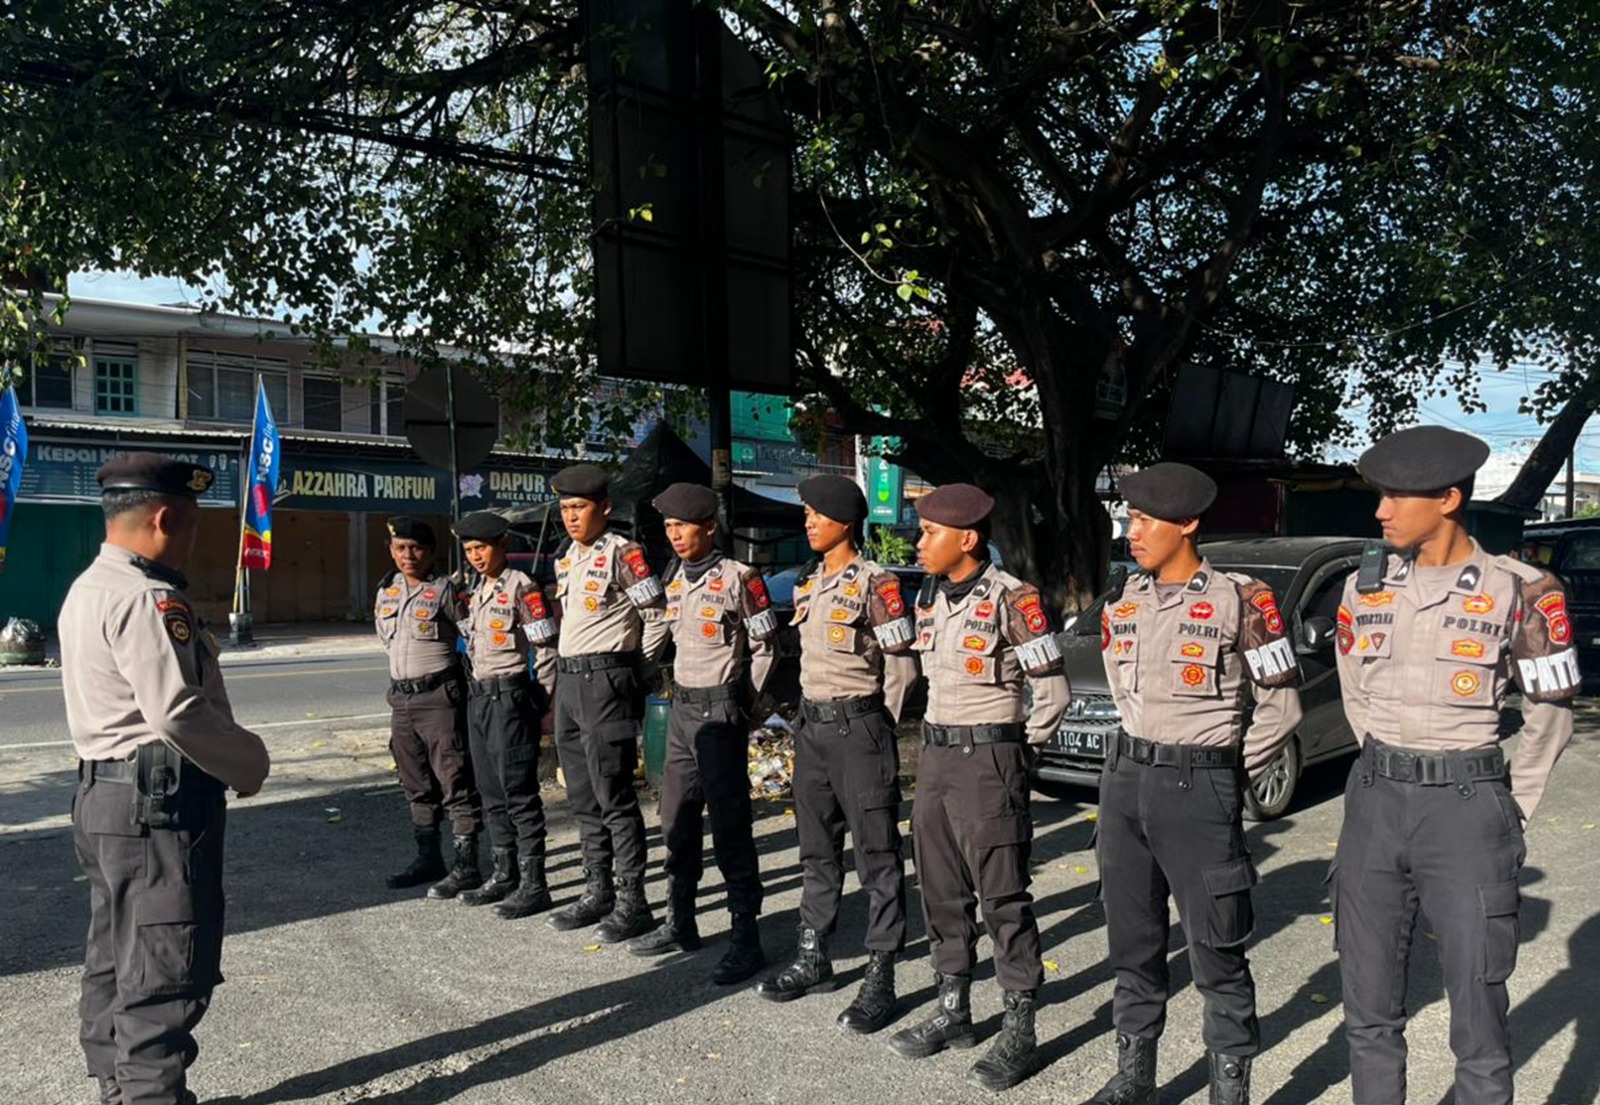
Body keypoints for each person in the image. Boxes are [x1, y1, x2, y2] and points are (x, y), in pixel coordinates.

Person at [1331, 426, 1577, 1105]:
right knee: (1368, 1006)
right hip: (1375, 801)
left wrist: (1508, 807)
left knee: (1478, 1011)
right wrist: (1383, 758)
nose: (1380, 511)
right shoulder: (1364, 587)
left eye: (1395, 496)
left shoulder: (1522, 590)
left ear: (1447, 498)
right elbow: (1355, 687)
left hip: (1467, 807)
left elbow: (1551, 713)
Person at [1085, 462, 1302, 1105]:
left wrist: (1225, 778)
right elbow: (1121, 691)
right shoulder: (1123, 599)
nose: (1131, 532)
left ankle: (1228, 1087)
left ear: (1186, 523)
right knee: (1132, 940)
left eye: (1143, 520)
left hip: (1198, 785)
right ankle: (1134, 1077)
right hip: (1125, 780)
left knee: (1216, 949)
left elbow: (1282, 708)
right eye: (1129, 519)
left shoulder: (1243, 600)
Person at [59, 452, 271, 1105]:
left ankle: (119, 1089)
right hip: (154, 810)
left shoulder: (87, 587)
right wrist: (250, 762)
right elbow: (177, 711)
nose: (192, 539)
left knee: (115, 953)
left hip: (104, 798)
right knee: (162, 970)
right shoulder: (147, 597)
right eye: (192, 524)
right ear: (163, 519)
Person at [887, 484, 1069, 1090]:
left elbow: (1053, 692)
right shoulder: (929, 595)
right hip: (936, 757)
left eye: (929, 533)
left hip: (989, 757)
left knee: (1002, 898)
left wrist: (1014, 751)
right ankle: (954, 1010)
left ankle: (1020, 1028)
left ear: (966, 539)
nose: (919, 543)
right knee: (940, 889)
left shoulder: (1013, 598)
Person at [755, 474, 916, 1035]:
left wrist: (876, 725)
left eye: (817, 515)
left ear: (845, 522)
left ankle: (881, 974)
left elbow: (902, 668)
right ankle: (813, 955)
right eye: (806, 514)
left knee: (877, 857)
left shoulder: (876, 583)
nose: (808, 522)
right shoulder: (808, 582)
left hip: (859, 729)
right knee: (816, 851)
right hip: (813, 731)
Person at [629, 482, 780, 983]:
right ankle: (681, 921)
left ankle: (745, 937)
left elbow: (766, 647)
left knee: (731, 826)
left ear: (709, 527)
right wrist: (638, 672)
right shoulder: (673, 575)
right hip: (682, 710)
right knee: (676, 819)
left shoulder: (741, 577)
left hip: (719, 712)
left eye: (683, 526)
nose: (674, 535)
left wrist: (747, 705)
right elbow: (659, 631)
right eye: (669, 527)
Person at [541, 462, 667, 943]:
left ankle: (633, 901)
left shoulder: (623, 553)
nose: (571, 517)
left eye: (580, 507)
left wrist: (635, 671)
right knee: (581, 794)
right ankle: (598, 890)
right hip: (571, 681)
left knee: (613, 794)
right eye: (565, 508)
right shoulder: (567, 557)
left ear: (605, 507)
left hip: (607, 679)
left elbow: (657, 616)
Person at [454, 510, 557, 918]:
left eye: (481, 548)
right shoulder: (477, 590)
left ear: (502, 545)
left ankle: (534, 884)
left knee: (518, 792)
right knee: (489, 790)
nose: (475, 556)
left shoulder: (522, 587)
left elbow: (545, 647)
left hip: (510, 697)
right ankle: (504, 873)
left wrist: (541, 698)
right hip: (479, 697)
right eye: (469, 550)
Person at [375, 516, 483, 898]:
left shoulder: (446, 591)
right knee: (415, 782)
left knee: (454, 779)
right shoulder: (386, 590)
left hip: (439, 699)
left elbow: (474, 637)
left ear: (431, 552)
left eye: (416, 548)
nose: (408, 555)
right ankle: (428, 858)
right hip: (401, 700)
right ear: (392, 551)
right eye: (400, 548)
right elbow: (387, 641)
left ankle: (466, 865)